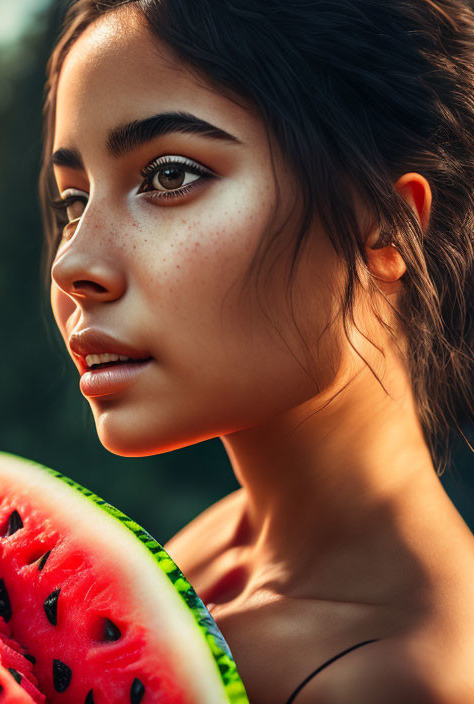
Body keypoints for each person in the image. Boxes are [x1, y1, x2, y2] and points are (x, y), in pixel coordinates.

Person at [39, 1, 474, 702]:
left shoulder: (395, 681)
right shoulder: (215, 546)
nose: (74, 264)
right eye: (73, 201)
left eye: (169, 175)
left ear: (387, 229)